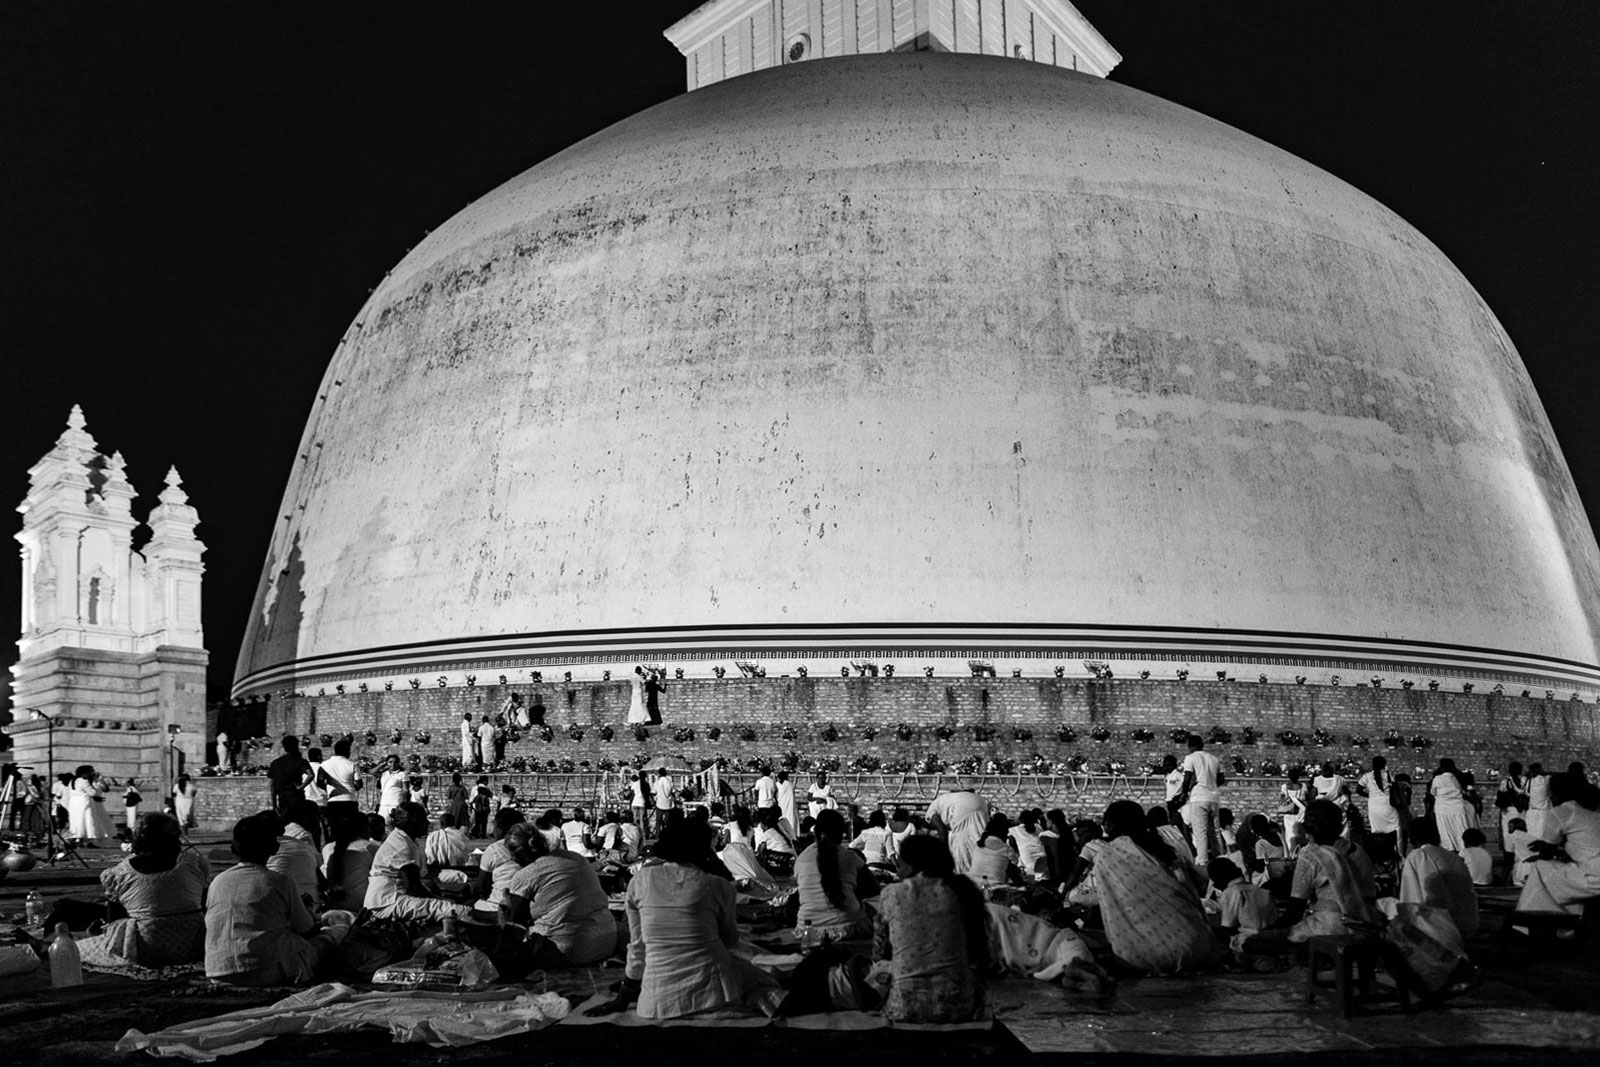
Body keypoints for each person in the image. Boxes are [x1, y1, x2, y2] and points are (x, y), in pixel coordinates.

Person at [601, 820, 784, 1020]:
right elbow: (730, 941)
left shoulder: (640, 881)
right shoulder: (718, 886)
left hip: (656, 1000)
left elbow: (638, 946)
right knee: (766, 979)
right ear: (704, 849)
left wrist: (624, 995)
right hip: (716, 991)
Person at [206, 814, 352, 986]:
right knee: (334, 935)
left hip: (218, 970)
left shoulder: (217, 881)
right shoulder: (279, 882)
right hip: (265, 970)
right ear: (274, 847)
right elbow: (306, 929)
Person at [871, 834, 990, 1023]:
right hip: (960, 1006)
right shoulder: (961, 891)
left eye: (900, 865)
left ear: (910, 866)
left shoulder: (892, 894)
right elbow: (980, 953)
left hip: (904, 1007)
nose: (898, 871)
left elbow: (879, 952)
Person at [1241, 800, 1381, 957]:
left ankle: (1310, 954)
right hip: (1366, 923)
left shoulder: (1311, 855)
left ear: (1305, 827)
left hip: (1329, 927)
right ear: (1340, 827)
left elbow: (1295, 911)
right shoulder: (1359, 851)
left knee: (1253, 942)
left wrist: (1268, 931)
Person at [74, 813, 212, 968]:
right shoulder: (194, 863)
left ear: (139, 836)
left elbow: (115, 921)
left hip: (147, 948)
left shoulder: (120, 873)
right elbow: (207, 905)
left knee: (77, 949)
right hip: (196, 944)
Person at [1094, 800, 1215, 974]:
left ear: (1109, 824)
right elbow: (1190, 891)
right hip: (1195, 944)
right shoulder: (1164, 849)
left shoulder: (1107, 855)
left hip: (1142, 957)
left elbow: (1111, 906)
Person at [501, 824, 618, 967]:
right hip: (606, 941)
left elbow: (516, 925)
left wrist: (506, 907)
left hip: (570, 949)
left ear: (516, 855)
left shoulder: (525, 875)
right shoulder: (576, 858)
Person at [364, 802, 474, 922]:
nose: (427, 824)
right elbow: (413, 887)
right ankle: (487, 917)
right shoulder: (401, 846)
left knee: (448, 901)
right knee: (448, 908)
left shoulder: (405, 840)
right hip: (387, 903)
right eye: (423, 820)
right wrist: (439, 899)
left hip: (395, 897)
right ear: (411, 824)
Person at [1516, 771, 1600, 916]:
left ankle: (1533, 920)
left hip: (1593, 877)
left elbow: (1546, 855)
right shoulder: (1595, 807)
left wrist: (1539, 852)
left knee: (1539, 869)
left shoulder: (1562, 811)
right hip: (1592, 871)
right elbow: (1589, 847)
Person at [795, 810, 878, 939]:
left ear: (816, 832)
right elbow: (873, 888)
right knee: (871, 910)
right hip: (847, 926)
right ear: (841, 833)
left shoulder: (802, 858)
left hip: (807, 929)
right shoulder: (849, 856)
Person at [1399, 815, 1480, 939]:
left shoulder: (1418, 856)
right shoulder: (1453, 857)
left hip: (1443, 927)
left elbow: (1414, 897)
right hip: (1467, 923)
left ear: (1412, 837)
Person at [1208, 857, 1278, 957]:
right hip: (1271, 939)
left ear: (1218, 882)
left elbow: (1228, 928)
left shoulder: (1231, 892)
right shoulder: (1259, 889)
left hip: (1249, 941)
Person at [267, 801, 323, 909]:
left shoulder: (288, 830)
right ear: (307, 816)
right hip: (301, 901)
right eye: (317, 816)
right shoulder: (303, 836)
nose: (319, 820)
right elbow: (316, 866)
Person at [1180, 734, 1225, 865]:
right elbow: (1221, 778)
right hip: (1214, 797)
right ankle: (1220, 858)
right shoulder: (1214, 759)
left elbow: (1187, 778)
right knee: (1215, 831)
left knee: (1200, 832)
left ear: (1190, 746)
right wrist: (1212, 785)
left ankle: (1202, 861)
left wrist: (1184, 793)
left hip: (1199, 796)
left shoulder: (1190, 758)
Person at [322, 804, 376, 910]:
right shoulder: (369, 847)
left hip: (333, 905)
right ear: (364, 829)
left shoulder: (328, 848)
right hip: (361, 905)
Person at [926, 788, 992, 875]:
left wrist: (944, 854)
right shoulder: (944, 800)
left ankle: (964, 873)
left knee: (960, 841)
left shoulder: (931, 812)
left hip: (961, 805)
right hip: (980, 802)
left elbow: (942, 831)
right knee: (977, 836)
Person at [473, 807, 527, 914]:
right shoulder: (532, 846)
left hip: (498, 904)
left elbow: (482, 886)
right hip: (527, 904)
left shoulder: (494, 849)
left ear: (500, 828)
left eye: (494, 826)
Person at [1358, 755, 1399, 865]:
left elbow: (1358, 789)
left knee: (1377, 831)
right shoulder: (1388, 774)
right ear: (1384, 764)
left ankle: (1379, 856)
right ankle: (1395, 854)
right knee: (1394, 829)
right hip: (1387, 805)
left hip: (1374, 806)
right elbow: (1395, 788)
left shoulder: (1367, 776)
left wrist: (1370, 796)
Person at [1428, 758, 1472, 853]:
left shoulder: (1438, 779)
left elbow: (1433, 792)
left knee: (1445, 831)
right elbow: (1466, 790)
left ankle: (1449, 849)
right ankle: (1463, 850)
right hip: (1457, 808)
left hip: (1442, 809)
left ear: (1442, 767)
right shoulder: (1459, 777)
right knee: (1460, 829)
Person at [968, 814, 1020, 890]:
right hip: (994, 888)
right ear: (1003, 834)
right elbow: (1014, 868)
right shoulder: (1006, 849)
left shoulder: (978, 846)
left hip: (973, 886)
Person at [68, 765, 114, 845]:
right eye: (90, 771)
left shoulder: (72, 781)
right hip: (84, 803)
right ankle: (86, 839)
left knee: (77, 821)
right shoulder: (83, 781)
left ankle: (78, 838)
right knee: (86, 820)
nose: (91, 773)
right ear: (84, 773)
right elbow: (93, 793)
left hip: (74, 803)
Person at [266, 736, 312, 816]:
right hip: (296, 796)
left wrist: (274, 806)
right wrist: (301, 787)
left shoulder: (275, 763)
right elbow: (311, 775)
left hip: (282, 797)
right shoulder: (301, 761)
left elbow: (272, 786)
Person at [317, 736, 362, 807]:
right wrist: (351, 788)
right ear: (345, 751)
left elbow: (319, 782)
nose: (349, 753)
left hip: (333, 800)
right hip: (350, 800)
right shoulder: (352, 765)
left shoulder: (324, 765)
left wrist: (329, 789)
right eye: (349, 750)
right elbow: (359, 784)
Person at [755, 807, 797, 875]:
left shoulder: (766, 834)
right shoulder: (781, 830)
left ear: (764, 825)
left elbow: (759, 850)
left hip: (782, 859)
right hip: (792, 857)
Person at [1496, 761, 1531, 842]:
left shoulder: (1506, 782)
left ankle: (1508, 851)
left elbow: (1499, 800)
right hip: (1522, 811)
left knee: (1508, 834)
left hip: (1508, 811)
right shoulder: (1526, 782)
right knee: (1522, 834)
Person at [1280, 768, 1308, 854]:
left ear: (1288, 777)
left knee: (1289, 833)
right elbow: (1307, 799)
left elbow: (1282, 801)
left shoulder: (1284, 787)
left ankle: (1290, 852)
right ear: (1298, 776)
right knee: (1300, 832)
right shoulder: (1303, 786)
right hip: (1301, 812)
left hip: (1289, 813)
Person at [1504, 816, 1536, 887]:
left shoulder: (1511, 837)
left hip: (1524, 869)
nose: (1508, 829)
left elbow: (1508, 861)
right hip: (1539, 867)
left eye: (1509, 827)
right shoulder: (1532, 837)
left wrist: (1503, 880)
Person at [1525, 762, 1553, 839]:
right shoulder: (1547, 780)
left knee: (1531, 835)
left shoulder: (1528, 781)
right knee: (1543, 835)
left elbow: (1526, 793)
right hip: (1544, 811)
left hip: (1532, 811)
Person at [376, 756, 408, 820]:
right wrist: (383, 764)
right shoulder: (384, 774)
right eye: (390, 762)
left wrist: (404, 804)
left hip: (396, 803)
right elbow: (372, 772)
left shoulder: (402, 774)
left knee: (395, 823)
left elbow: (405, 790)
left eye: (395, 762)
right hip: (384, 804)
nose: (393, 764)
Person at [776, 771, 799, 838]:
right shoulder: (789, 784)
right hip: (789, 806)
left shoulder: (777, 784)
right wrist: (796, 776)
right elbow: (793, 786)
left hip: (781, 805)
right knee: (790, 819)